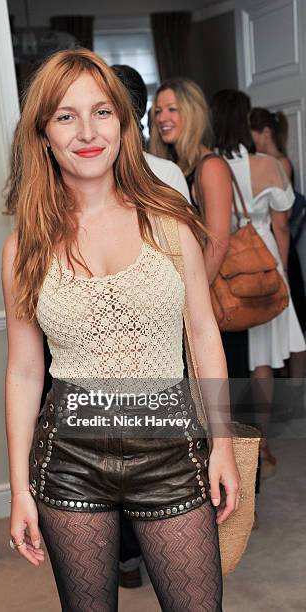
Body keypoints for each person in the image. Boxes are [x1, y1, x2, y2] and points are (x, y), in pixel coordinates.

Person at [2, 48, 240, 612]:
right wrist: (18, 489)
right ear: (43, 136)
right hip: (70, 461)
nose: (87, 131)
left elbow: (204, 336)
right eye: (66, 116)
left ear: (123, 125)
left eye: (102, 112)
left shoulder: (170, 220)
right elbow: (23, 369)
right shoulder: (23, 249)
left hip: (168, 448)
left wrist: (223, 444)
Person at [149, 77, 258, 517]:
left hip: (213, 307)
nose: (162, 118)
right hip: (190, 305)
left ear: (192, 113)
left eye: (172, 109)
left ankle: (242, 502)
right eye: (157, 111)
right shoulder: (162, 168)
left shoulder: (209, 167)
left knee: (227, 412)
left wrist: (187, 300)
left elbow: (218, 242)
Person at [110, 64, 191, 589]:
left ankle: (132, 551)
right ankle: (129, 550)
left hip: (157, 345)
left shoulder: (166, 177)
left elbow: (188, 263)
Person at [211, 90, 306, 476]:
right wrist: (278, 272)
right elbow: (282, 224)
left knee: (231, 359)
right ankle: (262, 440)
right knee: (263, 361)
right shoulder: (267, 164)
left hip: (224, 264)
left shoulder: (207, 166)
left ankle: (234, 443)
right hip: (262, 259)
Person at [250, 107, 306, 336]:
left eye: (252, 132)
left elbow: (283, 215)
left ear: (265, 133)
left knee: (292, 309)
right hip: (272, 239)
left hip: (280, 240)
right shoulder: (265, 163)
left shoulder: (280, 163)